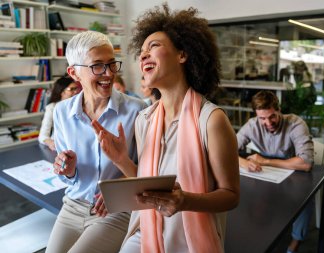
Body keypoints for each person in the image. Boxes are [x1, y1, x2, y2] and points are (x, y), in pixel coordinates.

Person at [92, 4, 240, 252]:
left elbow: (231, 195)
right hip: (147, 230)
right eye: (141, 51)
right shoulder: (145, 119)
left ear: (182, 54)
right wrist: (121, 159)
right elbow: (148, 185)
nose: (143, 56)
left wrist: (184, 201)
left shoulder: (212, 120)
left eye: (154, 46)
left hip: (189, 241)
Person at [46, 31, 146, 253]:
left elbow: (148, 175)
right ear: (74, 73)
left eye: (112, 64)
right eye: (97, 66)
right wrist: (68, 170)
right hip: (72, 205)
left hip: (116, 209)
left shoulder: (137, 110)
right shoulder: (61, 111)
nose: (108, 73)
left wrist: (116, 190)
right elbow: (70, 179)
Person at [236, 90, 314, 253]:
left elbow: (306, 163)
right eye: (262, 118)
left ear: (279, 110)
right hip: (265, 174)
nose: (268, 122)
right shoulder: (252, 125)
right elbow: (226, 151)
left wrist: (266, 161)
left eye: (272, 116)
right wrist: (243, 162)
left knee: (305, 198)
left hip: (292, 174)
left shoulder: (295, 124)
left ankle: (295, 241)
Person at [38, 75, 79, 151]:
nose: (76, 92)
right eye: (72, 89)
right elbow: (43, 135)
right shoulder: (52, 108)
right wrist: (50, 143)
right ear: (61, 92)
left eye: (76, 88)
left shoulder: (80, 105)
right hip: (61, 148)